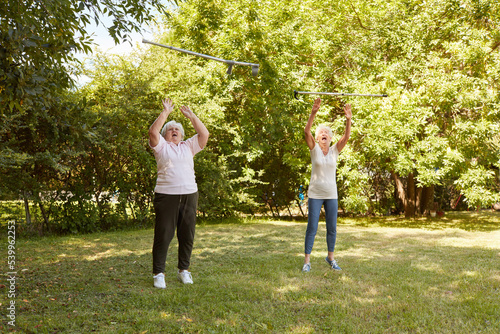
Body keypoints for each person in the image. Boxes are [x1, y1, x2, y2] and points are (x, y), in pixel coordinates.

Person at [148, 98, 209, 288]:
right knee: (164, 234)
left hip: (190, 195)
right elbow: (152, 132)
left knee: (187, 235)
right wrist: (165, 113)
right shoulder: (161, 147)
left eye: (177, 130)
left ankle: (184, 270)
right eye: (170, 130)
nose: (174, 131)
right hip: (166, 196)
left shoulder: (188, 146)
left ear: (182, 135)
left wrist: (191, 116)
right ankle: (159, 274)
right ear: (165, 135)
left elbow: (204, 134)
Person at [302, 98, 351, 272]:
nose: (324, 134)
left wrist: (348, 120)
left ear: (330, 138)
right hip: (315, 194)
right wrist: (313, 112)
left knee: (332, 228)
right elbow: (306, 131)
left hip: (331, 195)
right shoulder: (314, 149)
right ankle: (307, 261)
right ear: (317, 138)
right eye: (321, 132)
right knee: (312, 228)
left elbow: (346, 137)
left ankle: (330, 258)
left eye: (327, 133)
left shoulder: (334, 151)